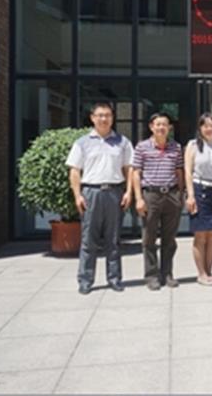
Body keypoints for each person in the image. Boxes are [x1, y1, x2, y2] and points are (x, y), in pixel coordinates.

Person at [66, 102, 133, 295]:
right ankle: (85, 280)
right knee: (89, 239)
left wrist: (128, 192)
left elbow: (129, 169)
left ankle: (114, 278)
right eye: (100, 115)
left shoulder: (123, 142)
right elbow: (75, 171)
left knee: (114, 239)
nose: (104, 119)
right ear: (92, 118)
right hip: (91, 193)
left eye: (108, 115)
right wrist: (77, 195)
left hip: (114, 192)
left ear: (112, 118)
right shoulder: (82, 143)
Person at [132, 112, 185, 290]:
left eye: (165, 124)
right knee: (149, 238)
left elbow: (179, 172)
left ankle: (167, 273)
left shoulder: (176, 147)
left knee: (169, 239)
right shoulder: (142, 147)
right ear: (151, 127)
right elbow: (136, 173)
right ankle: (151, 275)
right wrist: (139, 198)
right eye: (158, 124)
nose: (161, 128)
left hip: (171, 195)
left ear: (169, 127)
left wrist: (180, 194)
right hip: (151, 195)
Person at [184, 113, 212, 286]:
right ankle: (201, 273)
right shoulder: (193, 145)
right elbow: (188, 171)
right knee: (200, 235)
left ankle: (209, 272)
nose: (209, 129)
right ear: (200, 128)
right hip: (199, 190)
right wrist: (190, 196)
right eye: (205, 126)